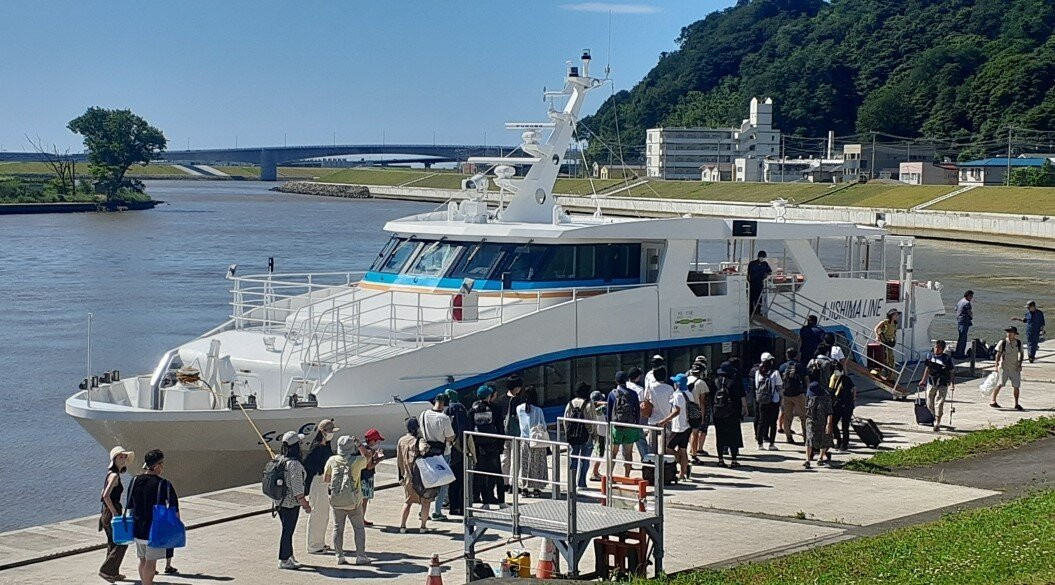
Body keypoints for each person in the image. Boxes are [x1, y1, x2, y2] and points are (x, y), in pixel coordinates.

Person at [128, 449, 179, 585]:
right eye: (161, 463)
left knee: (142, 560)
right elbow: (174, 508)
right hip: (155, 529)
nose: (162, 466)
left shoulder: (135, 480)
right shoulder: (164, 484)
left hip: (138, 527)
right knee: (151, 562)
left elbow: (130, 504)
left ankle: (144, 582)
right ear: (156, 466)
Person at [324, 435, 372, 566]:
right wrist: (360, 445)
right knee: (359, 528)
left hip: (337, 500)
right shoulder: (356, 461)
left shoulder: (332, 460)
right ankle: (360, 556)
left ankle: (339, 555)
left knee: (338, 528)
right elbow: (368, 456)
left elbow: (326, 479)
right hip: (353, 501)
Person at [274, 432, 311, 569]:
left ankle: (289, 555)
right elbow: (297, 489)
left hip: (279, 501)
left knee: (286, 530)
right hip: (290, 503)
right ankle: (284, 559)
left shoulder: (279, 459)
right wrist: (305, 505)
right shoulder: (294, 464)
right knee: (288, 531)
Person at [303, 418, 338, 555]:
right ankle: (313, 545)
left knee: (324, 514)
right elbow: (308, 465)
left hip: (324, 482)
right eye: (329, 431)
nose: (331, 434)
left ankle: (320, 541)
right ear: (322, 432)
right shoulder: (316, 447)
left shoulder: (326, 446)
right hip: (316, 481)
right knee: (317, 513)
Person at [99, 447, 133, 583]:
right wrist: (114, 512)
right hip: (112, 510)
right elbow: (105, 495)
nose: (123, 459)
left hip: (106, 511)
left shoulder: (110, 474)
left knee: (113, 542)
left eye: (124, 457)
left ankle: (113, 572)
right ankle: (106, 570)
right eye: (120, 457)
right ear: (114, 459)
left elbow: (102, 493)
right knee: (122, 541)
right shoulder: (114, 475)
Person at [419, 394, 455, 521]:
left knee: (427, 481)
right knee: (443, 482)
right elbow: (450, 437)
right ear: (445, 403)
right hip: (442, 453)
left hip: (426, 452)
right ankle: (437, 511)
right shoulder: (444, 418)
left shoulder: (423, 414)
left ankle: (423, 510)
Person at [396, 418, 434, 533]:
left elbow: (399, 459)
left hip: (407, 476)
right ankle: (423, 526)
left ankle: (402, 526)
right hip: (420, 477)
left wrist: (401, 476)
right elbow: (424, 449)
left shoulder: (401, 440)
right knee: (425, 501)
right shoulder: (419, 440)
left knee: (408, 502)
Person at [470, 385, 505, 507]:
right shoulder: (495, 408)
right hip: (493, 444)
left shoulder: (473, 410)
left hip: (479, 446)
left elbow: (470, 429)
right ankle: (501, 501)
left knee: (481, 474)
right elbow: (500, 427)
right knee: (497, 473)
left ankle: (485, 502)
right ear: (489, 396)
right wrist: (501, 444)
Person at [711, 360, 747, 467]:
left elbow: (711, 397)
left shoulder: (715, 381)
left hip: (718, 413)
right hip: (732, 413)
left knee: (719, 436)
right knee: (733, 436)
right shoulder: (734, 382)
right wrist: (744, 408)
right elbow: (740, 396)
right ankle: (734, 460)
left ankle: (720, 459)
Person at [607, 371, 642, 477]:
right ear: (627, 380)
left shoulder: (612, 394)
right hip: (630, 426)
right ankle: (627, 475)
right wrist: (636, 424)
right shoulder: (633, 393)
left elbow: (609, 413)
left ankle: (610, 476)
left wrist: (609, 427)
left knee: (613, 453)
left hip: (616, 427)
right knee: (628, 453)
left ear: (616, 381)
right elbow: (637, 411)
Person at [563, 382, 597, 489]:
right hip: (586, 435)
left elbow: (565, 420)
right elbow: (593, 421)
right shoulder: (589, 404)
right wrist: (593, 434)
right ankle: (581, 483)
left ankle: (571, 483)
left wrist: (568, 433)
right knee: (584, 459)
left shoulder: (570, 403)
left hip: (573, 436)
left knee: (573, 458)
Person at [660, 373, 694, 480]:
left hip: (678, 426)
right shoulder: (689, 394)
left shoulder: (677, 395)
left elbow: (676, 411)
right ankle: (683, 472)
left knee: (668, 448)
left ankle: (682, 463)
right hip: (688, 425)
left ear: (677, 384)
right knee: (683, 449)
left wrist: (664, 421)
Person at [517, 386, 549, 496]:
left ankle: (524, 488)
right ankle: (536, 488)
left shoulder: (519, 409)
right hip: (536, 441)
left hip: (524, 440)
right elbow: (543, 425)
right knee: (537, 465)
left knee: (525, 464)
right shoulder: (538, 410)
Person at [443, 389, 470, 515]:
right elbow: (464, 428)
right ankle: (462, 507)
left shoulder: (444, 410)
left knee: (451, 480)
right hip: (459, 449)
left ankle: (453, 507)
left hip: (446, 449)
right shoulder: (460, 408)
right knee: (461, 480)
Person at [493, 376, 523, 490]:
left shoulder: (500, 400)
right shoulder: (520, 401)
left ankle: (504, 482)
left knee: (505, 459)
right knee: (515, 459)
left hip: (504, 434)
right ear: (517, 387)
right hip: (516, 434)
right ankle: (513, 484)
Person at [919, 340, 954, 432]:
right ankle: (933, 415)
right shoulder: (930, 356)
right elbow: (927, 368)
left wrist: (952, 383)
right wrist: (923, 380)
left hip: (943, 382)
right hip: (931, 382)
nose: (936, 349)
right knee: (929, 402)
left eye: (939, 348)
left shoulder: (946, 359)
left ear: (942, 349)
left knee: (939, 402)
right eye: (935, 347)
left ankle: (937, 422)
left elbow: (951, 371)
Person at [643, 366, 675, 460]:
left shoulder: (650, 387)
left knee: (652, 442)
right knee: (666, 442)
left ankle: (653, 461)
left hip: (653, 418)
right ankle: (665, 461)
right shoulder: (670, 388)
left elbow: (645, 399)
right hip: (667, 418)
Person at [991, 326, 1025, 410]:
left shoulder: (1018, 343)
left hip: (1014, 367)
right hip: (1004, 367)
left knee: (1016, 386)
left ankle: (1016, 403)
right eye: (1008, 332)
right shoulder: (1003, 342)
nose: (1009, 334)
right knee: (1000, 384)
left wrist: (1020, 364)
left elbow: (1021, 354)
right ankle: (993, 401)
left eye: (1011, 332)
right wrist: (996, 366)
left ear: (1014, 334)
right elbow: (998, 355)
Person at [753, 353, 782, 451]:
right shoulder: (775, 373)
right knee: (773, 423)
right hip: (774, 400)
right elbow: (779, 387)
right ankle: (771, 444)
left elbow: (756, 386)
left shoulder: (758, 372)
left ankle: (760, 444)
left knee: (761, 421)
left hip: (761, 400)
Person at [778, 349, 807, 445]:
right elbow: (806, 379)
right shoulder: (800, 366)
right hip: (799, 394)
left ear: (787, 355)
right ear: (796, 355)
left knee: (787, 416)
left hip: (786, 394)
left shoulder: (782, 366)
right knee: (804, 417)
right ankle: (806, 437)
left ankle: (788, 437)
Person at [688, 357, 713, 464]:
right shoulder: (701, 383)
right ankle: (695, 452)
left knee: (688, 432)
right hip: (696, 409)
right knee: (696, 432)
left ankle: (690, 450)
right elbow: (702, 402)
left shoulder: (686, 379)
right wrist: (702, 415)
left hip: (686, 408)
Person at [804, 381, 834, 469]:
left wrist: (828, 424)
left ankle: (820, 458)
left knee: (824, 439)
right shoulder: (809, 396)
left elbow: (829, 412)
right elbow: (806, 408)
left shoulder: (826, 397)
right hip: (810, 421)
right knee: (809, 438)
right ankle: (807, 460)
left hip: (823, 421)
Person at [359, 428, 385, 526]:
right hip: (366, 478)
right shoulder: (369, 450)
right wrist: (379, 459)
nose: (378, 442)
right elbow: (369, 466)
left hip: (360, 476)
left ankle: (359, 518)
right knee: (364, 500)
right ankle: (361, 519)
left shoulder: (363, 448)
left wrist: (375, 457)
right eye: (377, 440)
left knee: (360, 500)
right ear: (373, 440)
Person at [830, 362, 857, 449]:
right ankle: (838, 440)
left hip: (847, 404)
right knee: (833, 423)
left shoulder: (846, 379)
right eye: (835, 370)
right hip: (837, 404)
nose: (836, 372)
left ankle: (845, 443)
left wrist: (853, 400)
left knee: (845, 426)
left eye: (837, 370)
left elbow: (854, 389)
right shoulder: (832, 379)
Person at [627, 367, 651, 460]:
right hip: (635, 419)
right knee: (641, 440)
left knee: (627, 445)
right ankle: (646, 459)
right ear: (637, 377)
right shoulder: (639, 389)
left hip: (624, 418)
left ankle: (627, 463)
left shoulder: (624, 386)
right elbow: (641, 406)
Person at [873, 309, 901, 380]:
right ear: (891, 315)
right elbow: (876, 328)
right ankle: (878, 372)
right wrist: (877, 336)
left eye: (897, 315)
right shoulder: (884, 322)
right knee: (883, 358)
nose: (897, 316)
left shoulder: (895, 324)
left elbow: (894, 333)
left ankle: (891, 376)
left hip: (889, 344)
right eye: (895, 315)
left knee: (891, 359)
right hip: (883, 343)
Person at [589, 390, 608, 481]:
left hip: (599, 433)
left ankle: (596, 472)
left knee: (600, 453)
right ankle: (594, 472)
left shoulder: (591, 409)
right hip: (600, 434)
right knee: (600, 454)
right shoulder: (597, 410)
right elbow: (605, 405)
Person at [747, 250, 773, 315]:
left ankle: (758, 311)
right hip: (753, 283)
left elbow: (770, 271)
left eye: (763, 257)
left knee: (759, 298)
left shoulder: (765, 264)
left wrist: (766, 274)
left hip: (760, 283)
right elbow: (748, 274)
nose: (762, 259)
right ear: (758, 257)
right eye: (761, 257)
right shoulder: (752, 263)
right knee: (752, 298)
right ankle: (751, 312)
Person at [954, 290, 974, 359]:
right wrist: (971, 316)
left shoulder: (960, 301)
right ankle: (960, 354)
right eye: (971, 296)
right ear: (968, 296)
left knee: (960, 337)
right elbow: (969, 312)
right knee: (963, 338)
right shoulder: (967, 303)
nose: (972, 298)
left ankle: (958, 353)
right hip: (964, 321)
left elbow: (955, 309)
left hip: (959, 321)